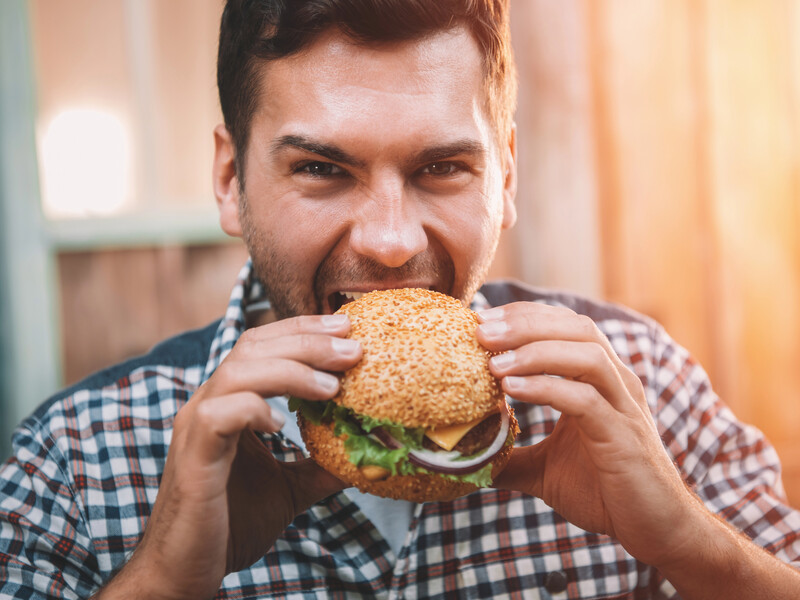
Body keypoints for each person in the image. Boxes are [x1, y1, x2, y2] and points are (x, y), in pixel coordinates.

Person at [2, 0, 799, 597]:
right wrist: (165, 576)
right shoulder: (74, 462)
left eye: (442, 167)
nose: (390, 241)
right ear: (229, 179)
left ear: (506, 177)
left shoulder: (645, 388)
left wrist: (692, 546)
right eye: (321, 168)